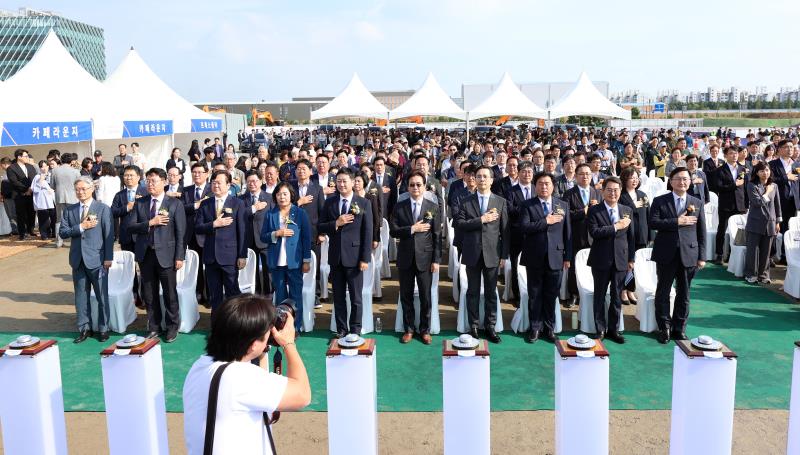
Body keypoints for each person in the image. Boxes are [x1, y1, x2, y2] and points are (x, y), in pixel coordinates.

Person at [182, 294, 310, 455]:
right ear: (253, 345)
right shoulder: (240, 378)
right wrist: (288, 343)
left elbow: (258, 395)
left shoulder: (200, 367)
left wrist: (262, 350)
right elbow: (302, 395)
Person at [649, 167, 706, 344]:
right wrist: (677, 221)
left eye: (686, 179)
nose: (682, 182)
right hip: (666, 253)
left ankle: (679, 328)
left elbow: (701, 231)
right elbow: (653, 222)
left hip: (689, 253)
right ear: (671, 181)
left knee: (684, 293)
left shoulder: (697, 202)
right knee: (663, 292)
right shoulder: (660, 201)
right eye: (678, 179)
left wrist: (702, 256)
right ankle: (664, 327)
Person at [128, 168, 186, 342]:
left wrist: (179, 256)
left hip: (167, 255)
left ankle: (172, 326)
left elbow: (180, 233)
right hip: (146, 255)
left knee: (170, 293)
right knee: (149, 294)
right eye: (148, 181)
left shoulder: (174, 204)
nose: (150, 184)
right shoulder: (140, 203)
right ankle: (154, 326)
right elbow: (131, 226)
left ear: (164, 182)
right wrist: (150, 222)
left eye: (154, 181)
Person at [454, 166, 509, 344]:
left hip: (493, 253)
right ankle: (474, 326)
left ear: (492, 180)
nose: (482, 179)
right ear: (474, 179)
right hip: (472, 252)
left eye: (485, 176)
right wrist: (481, 220)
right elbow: (460, 224)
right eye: (479, 176)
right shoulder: (466, 201)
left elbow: (505, 231)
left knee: (491, 292)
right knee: (473, 291)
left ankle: (490, 326)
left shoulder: (500, 202)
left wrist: (504, 255)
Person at [318, 168, 373, 338]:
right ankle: (341, 329)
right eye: (339, 181)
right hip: (336, 257)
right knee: (338, 296)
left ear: (353, 182)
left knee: (356, 297)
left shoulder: (363, 203)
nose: (341, 184)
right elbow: (320, 226)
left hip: (355, 257)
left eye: (345, 181)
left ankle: (355, 329)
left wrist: (364, 258)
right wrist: (336, 223)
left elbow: (367, 232)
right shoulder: (330, 202)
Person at [59, 176, 114, 343]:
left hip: (98, 260)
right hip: (77, 260)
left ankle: (103, 328)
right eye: (77, 189)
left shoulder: (103, 209)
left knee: (102, 295)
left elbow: (109, 235)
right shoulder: (69, 210)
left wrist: (108, 258)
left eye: (83, 189)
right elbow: (63, 232)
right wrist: (81, 227)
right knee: (81, 297)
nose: (80, 192)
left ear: (92, 189)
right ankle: (84, 328)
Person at [390, 171, 441, 344]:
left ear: (424, 186)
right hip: (405, 257)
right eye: (412, 185)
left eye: (419, 184)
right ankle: (409, 329)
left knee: (426, 296)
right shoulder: (399, 206)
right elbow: (393, 230)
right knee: (406, 295)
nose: (415, 188)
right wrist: (412, 229)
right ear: (407, 187)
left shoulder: (432, 207)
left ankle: (425, 330)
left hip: (425, 257)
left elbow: (437, 236)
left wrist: (436, 260)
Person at [519, 172, 571, 343]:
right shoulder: (527, 205)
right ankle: (535, 328)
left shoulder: (562, 205)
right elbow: (524, 228)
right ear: (535, 186)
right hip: (534, 256)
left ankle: (549, 328)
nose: (544, 186)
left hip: (556, 256)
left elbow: (567, 233)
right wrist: (545, 221)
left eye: (547, 183)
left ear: (553, 186)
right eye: (540, 183)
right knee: (535, 294)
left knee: (551, 294)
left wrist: (568, 257)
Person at [586, 177, 635, 343]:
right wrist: (616, 227)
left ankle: (614, 330)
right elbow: (594, 232)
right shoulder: (594, 210)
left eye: (616, 190)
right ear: (602, 191)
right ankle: (600, 329)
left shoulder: (627, 210)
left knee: (617, 296)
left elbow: (631, 237)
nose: (613, 193)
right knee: (599, 295)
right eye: (609, 189)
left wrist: (631, 259)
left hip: (621, 259)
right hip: (601, 259)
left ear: (620, 191)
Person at [260, 183, 312, 331]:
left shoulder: (300, 213)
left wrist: (306, 260)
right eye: (279, 194)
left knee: (295, 295)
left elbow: (306, 238)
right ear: (275, 196)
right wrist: (276, 233)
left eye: (285, 194)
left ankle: (295, 327)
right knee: (281, 295)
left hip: (295, 261)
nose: (282, 197)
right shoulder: (270, 214)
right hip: (276, 262)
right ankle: (282, 327)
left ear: (291, 195)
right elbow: (263, 236)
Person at [195, 170, 248, 311]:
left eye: (219, 182)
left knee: (233, 292)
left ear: (228, 185)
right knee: (215, 294)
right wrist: (213, 224)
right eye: (213, 183)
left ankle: (234, 321)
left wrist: (242, 255)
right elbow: (198, 227)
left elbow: (242, 231)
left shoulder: (237, 203)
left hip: (230, 256)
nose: (216, 185)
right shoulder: (205, 203)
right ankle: (217, 322)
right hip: (210, 256)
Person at [562, 163, 601, 307]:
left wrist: (596, 208)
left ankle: (591, 291)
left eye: (588, 174)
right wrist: (583, 211)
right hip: (576, 235)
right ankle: (573, 294)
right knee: (574, 267)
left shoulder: (597, 193)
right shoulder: (569, 194)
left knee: (592, 267)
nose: (585, 176)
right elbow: (566, 215)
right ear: (576, 176)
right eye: (582, 174)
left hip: (594, 236)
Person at [744, 162, 782, 284]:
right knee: (753, 251)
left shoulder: (774, 186)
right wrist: (767, 192)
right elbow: (757, 202)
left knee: (766, 252)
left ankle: (764, 275)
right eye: (762, 171)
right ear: (757, 173)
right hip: (755, 223)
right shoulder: (752, 185)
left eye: (767, 170)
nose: (765, 173)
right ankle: (751, 274)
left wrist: (778, 221)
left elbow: (777, 205)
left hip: (770, 223)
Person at [293, 159, 325, 300]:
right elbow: (284, 208)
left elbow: (322, 212)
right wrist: (299, 202)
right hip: (294, 232)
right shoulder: (290, 187)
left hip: (313, 232)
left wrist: (322, 233)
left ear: (311, 171)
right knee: (295, 263)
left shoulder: (317, 188)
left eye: (304, 168)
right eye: (298, 169)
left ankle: (315, 294)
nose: (301, 171)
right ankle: (297, 291)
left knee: (314, 262)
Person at [182, 163, 212, 305]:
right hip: (192, 234)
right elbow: (181, 207)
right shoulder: (186, 190)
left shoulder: (213, 188)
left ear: (207, 173)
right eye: (194, 172)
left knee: (210, 266)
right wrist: (196, 205)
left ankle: (211, 294)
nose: (197, 175)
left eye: (200, 172)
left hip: (209, 233)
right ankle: (199, 292)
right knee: (196, 266)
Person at [240, 170, 273, 295]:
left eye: (254, 181)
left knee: (268, 271)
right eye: (249, 181)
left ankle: (268, 296)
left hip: (265, 240)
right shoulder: (241, 199)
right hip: (248, 240)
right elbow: (239, 215)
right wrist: (254, 208)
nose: (252, 183)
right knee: (252, 272)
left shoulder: (270, 197)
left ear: (261, 181)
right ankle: (256, 296)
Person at [714, 145, 748, 263]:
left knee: (739, 231)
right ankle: (719, 254)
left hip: (740, 204)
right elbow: (718, 187)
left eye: (736, 153)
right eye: (731, 153)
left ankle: (735, 255)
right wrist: (734, 185)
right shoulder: (720, 170)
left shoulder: (742, 169)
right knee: (722, 230)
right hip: (726, 204)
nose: (734, 155)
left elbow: (745, 188)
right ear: (725, 155)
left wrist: (746, 204)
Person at [6, 149, 37, 240]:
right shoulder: (11, 168)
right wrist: (26, 189)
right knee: (21, 214)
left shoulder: (30, 167)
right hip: (19, 194)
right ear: (19, 157)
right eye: (26, 156)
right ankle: (22, 233)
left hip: (31, 193)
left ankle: (31, 230)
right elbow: (14, 181)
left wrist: (31, 189)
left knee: (32, 213)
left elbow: (34, 179)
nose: (27, 158)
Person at [50, 153, 80, 247]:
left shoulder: (54, 171)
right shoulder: (75, 171)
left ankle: (59, 242)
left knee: (59, 219)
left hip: (60, 197)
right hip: (73, 198)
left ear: (61, 160)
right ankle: (75, 240)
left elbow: (52, 186)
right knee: (75, 219)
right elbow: (79, 185)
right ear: (71, 161)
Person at [31, 160, 56, 240]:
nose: (44, 168)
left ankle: (54, 233)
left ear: (48, 166)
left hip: (52, 200)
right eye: (42, 167)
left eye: (45, 166)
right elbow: (34, 189)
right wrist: (40, 181)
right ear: (39, 168)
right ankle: (44, 234)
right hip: (42, 202)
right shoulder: (37, 177)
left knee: (53, 218)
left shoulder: (52, 175)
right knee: (43, 219)